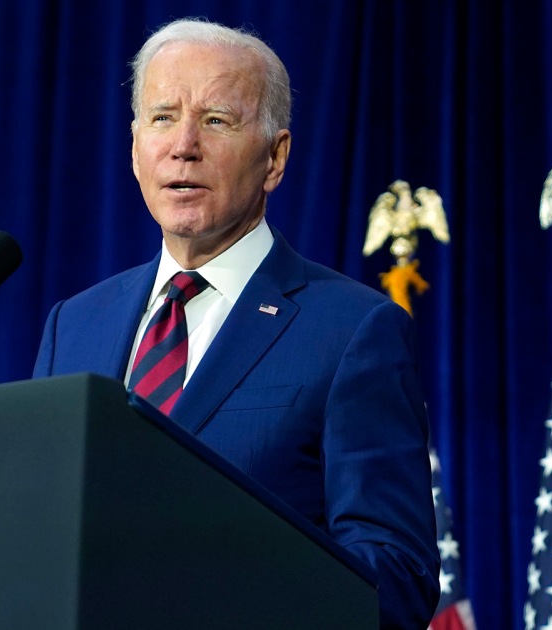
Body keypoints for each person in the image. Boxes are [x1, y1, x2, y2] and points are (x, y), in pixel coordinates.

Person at [33, 17, 438, 629]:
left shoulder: (353, 329)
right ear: (135, 145)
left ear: (275, 157)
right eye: (163, 117)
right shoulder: (75, 325)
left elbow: (394, 578)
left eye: (216, 120)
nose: (184, 144)